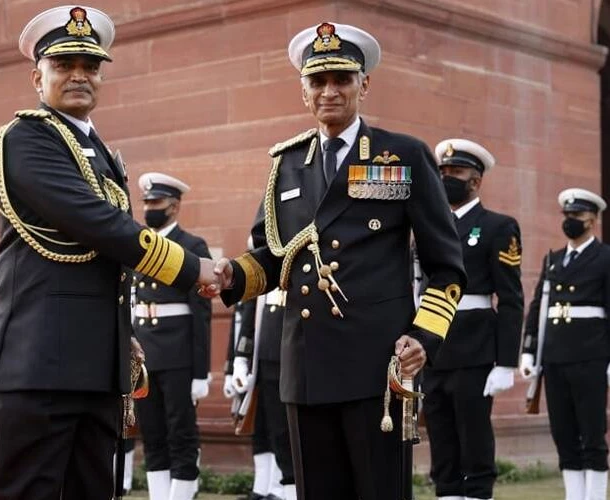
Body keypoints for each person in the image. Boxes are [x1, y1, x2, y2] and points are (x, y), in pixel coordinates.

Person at [208, 21, 466, 499]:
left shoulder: (401, 155)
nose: (330, 91)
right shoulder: (287, 163)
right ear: (303, 91)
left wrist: (424, 337)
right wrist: (231, 275)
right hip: (305, 365)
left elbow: (446, 265)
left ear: (363, 84)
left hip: (376, 363)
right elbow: (275, 255)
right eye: (318, 81)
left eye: (342, 80)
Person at [0, 5, 217, 499]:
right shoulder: (26, 138)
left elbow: (104, 263)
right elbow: (97, 223)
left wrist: (118, 334)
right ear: (36, 76)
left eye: (90, 67)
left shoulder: (101, 152)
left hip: (93, 363)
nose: (80, 76)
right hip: (37, 361)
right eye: (64, 66)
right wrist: (194, 268)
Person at [422, 139, 524, 500]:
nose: (448, 178)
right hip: (432, 344)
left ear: (475, 181)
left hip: (475, 346)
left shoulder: (498, 226)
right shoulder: (429, 227)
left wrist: (506, 362)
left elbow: (511, 299)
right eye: (443, 172)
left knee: (474, 438)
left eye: (456, 173)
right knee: (441, 438)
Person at [521, 188, 610, 500]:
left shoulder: (605, 258)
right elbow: (538, 309)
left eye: (578, 216)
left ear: (594, 219)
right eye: (568, 216)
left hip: (591, 358)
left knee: (593, 434)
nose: (572, 221)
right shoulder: (553, 260)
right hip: (555, 359)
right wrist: (529, 349)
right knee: (564, 434)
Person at [133, 172, 212, 500]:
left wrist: (200, 372)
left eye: (157, 203)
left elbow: (201, 315)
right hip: (146, 355)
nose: (150, 208)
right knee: (152, 435)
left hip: (178, 355)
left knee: (181, 434)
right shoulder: (137, 246)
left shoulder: (192, 247)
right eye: (147, 203)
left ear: (175, 207)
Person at [232, 287, 295, 499]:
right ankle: (282, 490)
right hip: (268, 354)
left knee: (295, 433)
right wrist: (240, 357)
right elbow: (251, 308)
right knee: (276, 432)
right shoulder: (265, 253)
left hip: (298, 354)